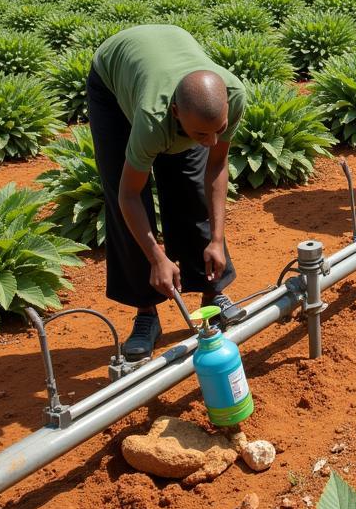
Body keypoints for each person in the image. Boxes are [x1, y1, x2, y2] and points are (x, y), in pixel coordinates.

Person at [87, 25, 249, 360]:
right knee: (126, 195)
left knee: (190, 186)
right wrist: (156, 258)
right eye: (201, 133)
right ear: (176, 113)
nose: (211, 141)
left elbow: (216, 165)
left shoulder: (230, 98)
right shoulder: (151, 118)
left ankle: (211, 293)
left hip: (170, 61)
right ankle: (146, 313)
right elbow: (129, 196)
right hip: (113, 81)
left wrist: (216, 239)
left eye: (218, 130)